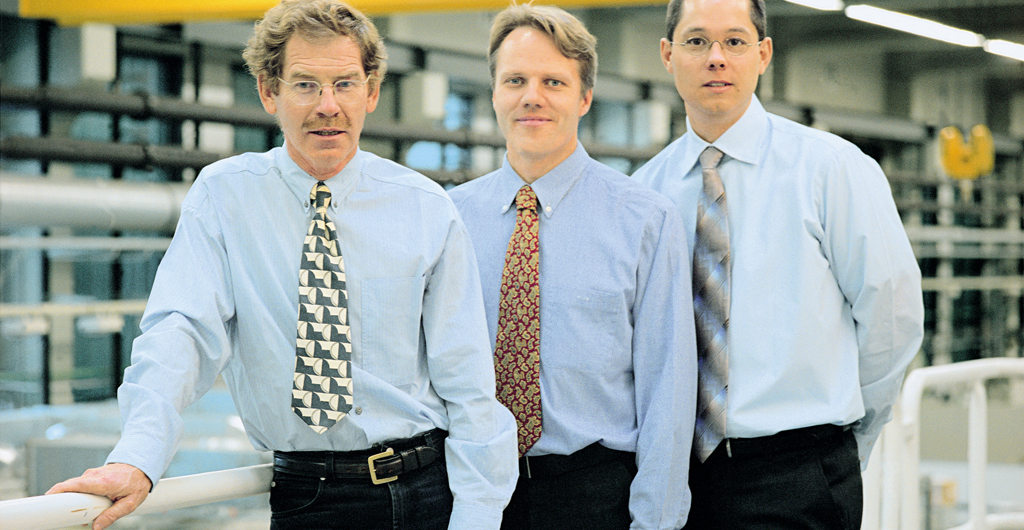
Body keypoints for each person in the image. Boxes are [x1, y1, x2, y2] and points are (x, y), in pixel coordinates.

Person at [46, 1, 518, 529]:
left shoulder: (425, 206)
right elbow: (181, 333)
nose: (327, 106)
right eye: (304, 85)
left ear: (372, 91)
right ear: (269, 92)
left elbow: (469, 381)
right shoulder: (225, 197)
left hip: (427, 492)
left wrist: (478, 514)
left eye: (344, 84)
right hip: (305, 498)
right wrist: (136, 457)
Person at [632, 0, 925, 528]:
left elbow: (892, 318)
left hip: (799, 474)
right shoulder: (644, 192)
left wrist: (841, 441)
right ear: (667, 55)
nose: (716, 58)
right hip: (677, 479)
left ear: (763, 54)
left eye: (735, 42)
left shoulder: (832, 170)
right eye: (696, 41)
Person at [448, 5, 697, 530]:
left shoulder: (645, 219)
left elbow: (667, 390)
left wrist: (657, 521)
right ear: (494, 92)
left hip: (593, 494)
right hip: (471, 493)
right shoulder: (449, 218)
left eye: (553, 82)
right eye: (515, 79)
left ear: (584, 98)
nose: (531, 96)